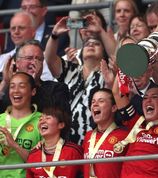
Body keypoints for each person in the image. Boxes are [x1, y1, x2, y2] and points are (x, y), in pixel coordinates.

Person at [113, 35, 158, 178]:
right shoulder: (135, 122)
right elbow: (117, 93)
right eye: (145, 98)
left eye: (154, 97)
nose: (148, 101)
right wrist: (127, 62)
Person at [45, 16, 115, 144]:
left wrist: (100, 31)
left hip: (97, 140)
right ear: (81, 52)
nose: (91, 45)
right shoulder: (70, 69)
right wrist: (54, 35)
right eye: (87, 44)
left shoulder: (108, 74)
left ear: (103, 52)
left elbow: (117, 56)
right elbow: (49, 59)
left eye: (97, 44)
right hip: (67, 142)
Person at [0, 40, 70, 114]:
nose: (33, 62)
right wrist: (5, 83)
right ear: (17, 63)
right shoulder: (7, 90)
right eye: (29, 58)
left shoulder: (57, 89)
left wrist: (34, 83)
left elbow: (56, 117)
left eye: (39, 59)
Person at [0, 72, 41, 177]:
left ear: (33, 91)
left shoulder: (43, 121)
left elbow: (41, 165)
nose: (16, 91)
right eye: (12, 86)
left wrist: (14, 145)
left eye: (22, 86)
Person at [83, 88, 128, 178]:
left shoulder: (125, 135)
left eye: (101, 101)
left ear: (113, 108)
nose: (95, 104)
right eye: (93, 102)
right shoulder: (88, 135)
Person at [26, 106, 83, 177]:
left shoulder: (73, 151)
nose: (42, 121)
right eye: (40, 119)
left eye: (48, 118)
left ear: (61, 125)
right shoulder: (33, 154)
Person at [0, 11, 54, 81]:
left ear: (33, 32)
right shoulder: (1, 59)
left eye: (21, 28)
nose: (16, 32)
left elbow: (47, 83)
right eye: (13, 28)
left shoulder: (44, 58)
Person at [4, 0, 70, 56]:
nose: (27, 11)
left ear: (44, 10)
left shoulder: (59, 36)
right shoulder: (16, 35)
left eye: (32, 7)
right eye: (24, 8)